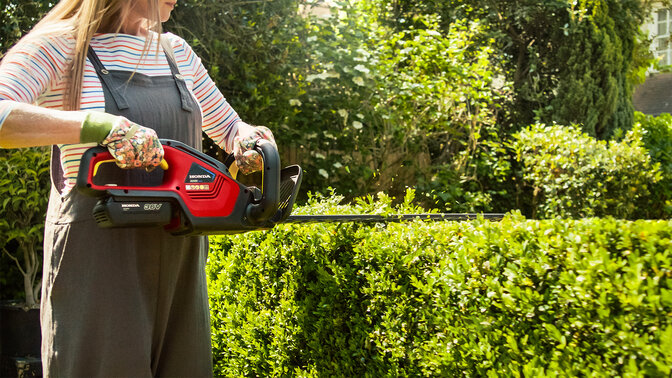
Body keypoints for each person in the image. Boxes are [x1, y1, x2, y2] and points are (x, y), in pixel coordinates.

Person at [0, 0, 275, 376]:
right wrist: (99, 126)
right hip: (99, 263)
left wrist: (248, 140)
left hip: (181, 262)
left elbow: (229, 130)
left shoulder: (175, 51)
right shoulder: (61, 47)